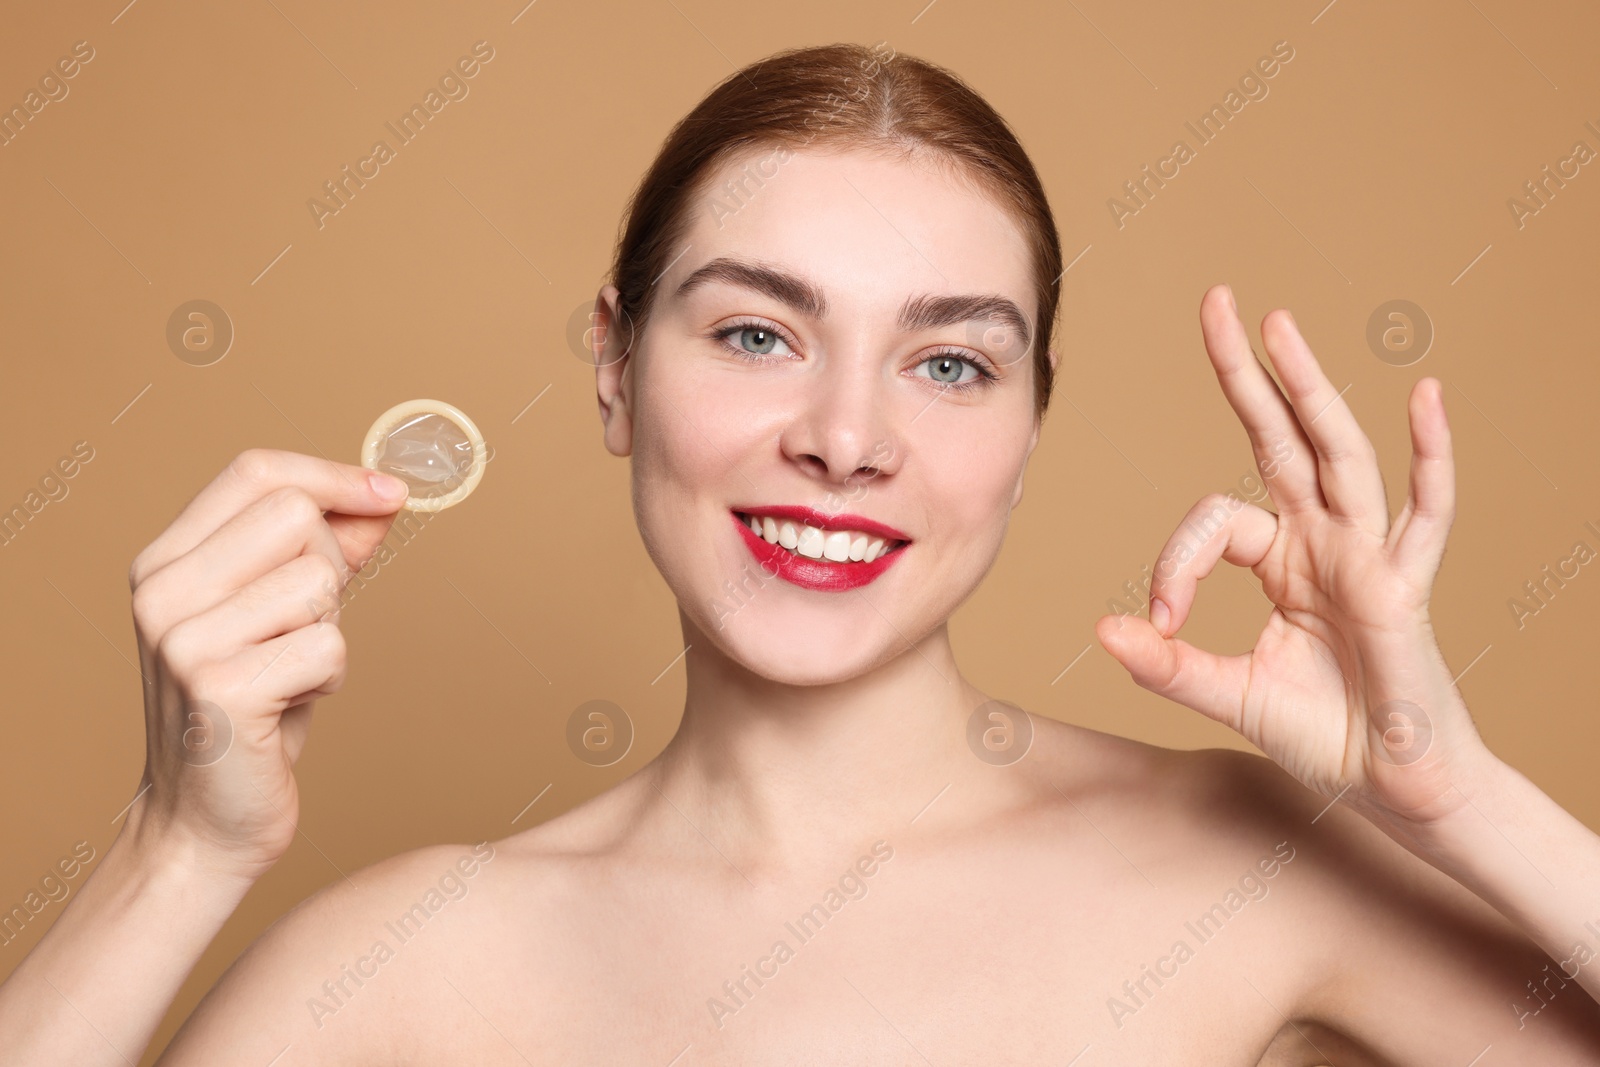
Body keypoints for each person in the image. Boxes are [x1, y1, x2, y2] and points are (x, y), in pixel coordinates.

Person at [4, 42, 1599, 1066]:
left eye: (952, 362)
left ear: (1032, 426)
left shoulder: (1242, 856)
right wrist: (174, 852)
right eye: (760, 334)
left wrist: (1460, 800)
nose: (848, 436)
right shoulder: (407, 964)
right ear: (619, 370)